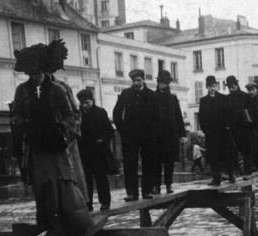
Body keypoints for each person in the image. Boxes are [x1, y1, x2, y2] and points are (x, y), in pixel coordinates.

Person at [11, 43, 94, 236]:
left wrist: (62, 133)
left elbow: (72, 116)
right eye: (31, 73)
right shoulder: (22, 91)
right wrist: (26, 128)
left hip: (56, 146)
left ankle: (71, 226)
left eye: (38, 72)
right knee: (42, 186)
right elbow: (17, 116)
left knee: (62, 186)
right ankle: (50, 229)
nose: (35, 76)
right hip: (36, 147)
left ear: (44, 70)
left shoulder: (57, 90)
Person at [44, 39, 87, 202]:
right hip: (45, 144)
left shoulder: (61, 87)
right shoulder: (33, 90)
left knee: (71, 180)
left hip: (64, 141)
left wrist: (65, 134)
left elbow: (75, 115)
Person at [113, 69, 160, 201]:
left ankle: (147, 191)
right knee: (129, 164)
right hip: (130, 136)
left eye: (138, 80)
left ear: (144, 80)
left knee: (148, 162)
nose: (136, 83)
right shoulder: (126, 94)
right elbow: (117, 113)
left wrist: (153, 131)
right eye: (133, 80)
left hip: (148, 136)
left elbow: (158, 116)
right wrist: (122, 130)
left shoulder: (151, 95)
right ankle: (132, 193)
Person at [77, 89, 114, 211]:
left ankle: (105, 202)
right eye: (82, 103)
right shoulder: (78, 115)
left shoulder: (100, 112)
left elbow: (109, 131)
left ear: (92, 100)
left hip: (98, 151)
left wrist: (102, 140)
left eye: (87, 102)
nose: (85, 105)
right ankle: (88, 204)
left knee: (101, 178)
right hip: (84, 152)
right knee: (85, 180)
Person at [152, 70, 186, 194]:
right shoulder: (152, 97)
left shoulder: (173, 98)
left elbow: (178, 116)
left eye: (165, 83)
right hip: (156, 136)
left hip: (170, 135)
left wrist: (182, 134)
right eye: (161, 82)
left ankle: (169, 184)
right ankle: (156, 185)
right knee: (156, 161)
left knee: (169, 161)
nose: (163, 85)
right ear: (158, 83)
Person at [198, 75, 235, 186]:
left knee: (227, 155)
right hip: (211, 134)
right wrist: (205, 130)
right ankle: (216, 178)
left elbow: (230, 114)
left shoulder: (224, 98)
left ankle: (231, 175)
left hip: (223, 133)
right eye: (210, 86)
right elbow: (201, 117)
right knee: (213, 156)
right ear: (207, 87)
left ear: (216, 86)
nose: (212, 88)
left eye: (214, 86)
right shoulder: (203, 101)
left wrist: (228, 126)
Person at [226, 75, 253, 178]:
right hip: (233, 129)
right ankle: (237, 171)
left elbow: (251, 113)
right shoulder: (227, 98)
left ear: (236, 85)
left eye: (232, 86)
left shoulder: (246, 97)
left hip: (245, 128)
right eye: (229, 87)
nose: (231, 89)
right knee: (232, 151)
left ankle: (247, 172)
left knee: (246, 151)